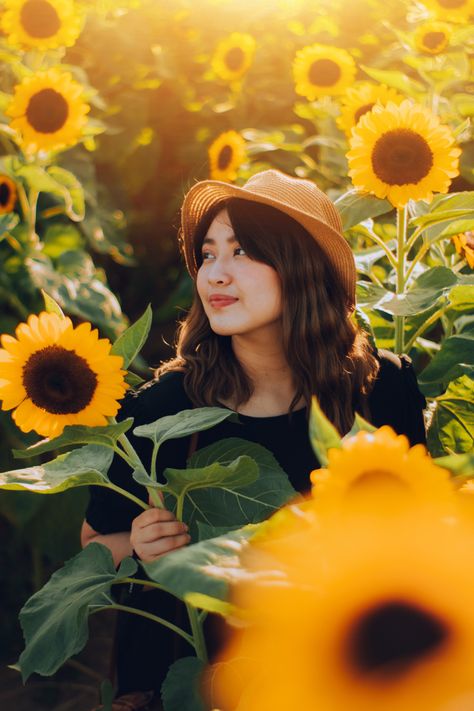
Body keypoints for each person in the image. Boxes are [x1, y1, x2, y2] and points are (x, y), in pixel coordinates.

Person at [81, 169, 426, 704]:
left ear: (301, 266)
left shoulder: (381, 390)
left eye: (241, 252)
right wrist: (142, 544)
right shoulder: (164, 410)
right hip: (202, 673)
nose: (215, 274)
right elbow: (95, 543)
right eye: (209, 253)